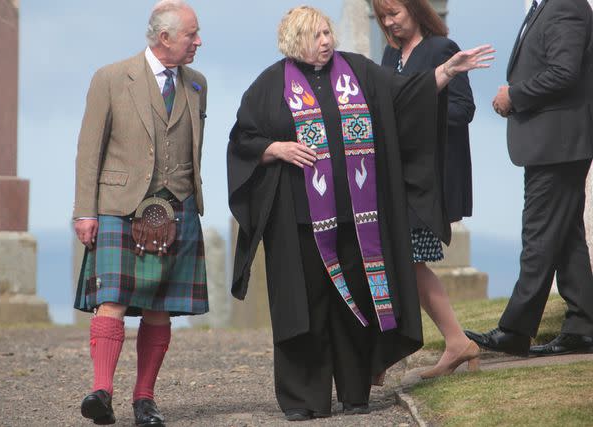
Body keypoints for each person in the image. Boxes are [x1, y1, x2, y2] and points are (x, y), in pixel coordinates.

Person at [227, 5, 492, 420]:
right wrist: (274, 148)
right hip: (300, 222)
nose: (327, 41)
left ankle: (354, 393)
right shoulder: (269, 85)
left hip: (358, 216)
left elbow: (407, 95)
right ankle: (305, 398)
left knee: (357, 307)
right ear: (295, 40)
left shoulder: (359, 71)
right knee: (308, 308)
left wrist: (446, 73)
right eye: (317, 36)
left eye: (328, 33)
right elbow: (243, 137)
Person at [72, 1, 208, 425]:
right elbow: (88, 150)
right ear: (164, 37)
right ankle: (101, 391)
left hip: (176, 207)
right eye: (191, 34)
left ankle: (144, 399)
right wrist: (84, 212)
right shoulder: (111, 78)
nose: (198, 41)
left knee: (159, 306)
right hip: (119, 206)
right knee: (110, 299)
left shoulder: (198, 84)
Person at [465, 0, 593, 357]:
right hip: (554, 143)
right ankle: (584, 326)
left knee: (538, 232)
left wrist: (513, 96)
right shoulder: (547, 6)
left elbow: (564, 72)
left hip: (559, 142)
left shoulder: (566, 5)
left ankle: (515, 330)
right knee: (566, 236)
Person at [373, 0, 479, 379]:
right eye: (382, 16)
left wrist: (412, 116)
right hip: (400, 178)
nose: (388, 22)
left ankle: (443, 343)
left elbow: (463, 109)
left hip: (428, 178)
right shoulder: (390, 53)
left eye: (394, 14)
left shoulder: (439, 49)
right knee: (401, 261)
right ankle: (450, 342)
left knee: (407, 260)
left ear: (415, 9)